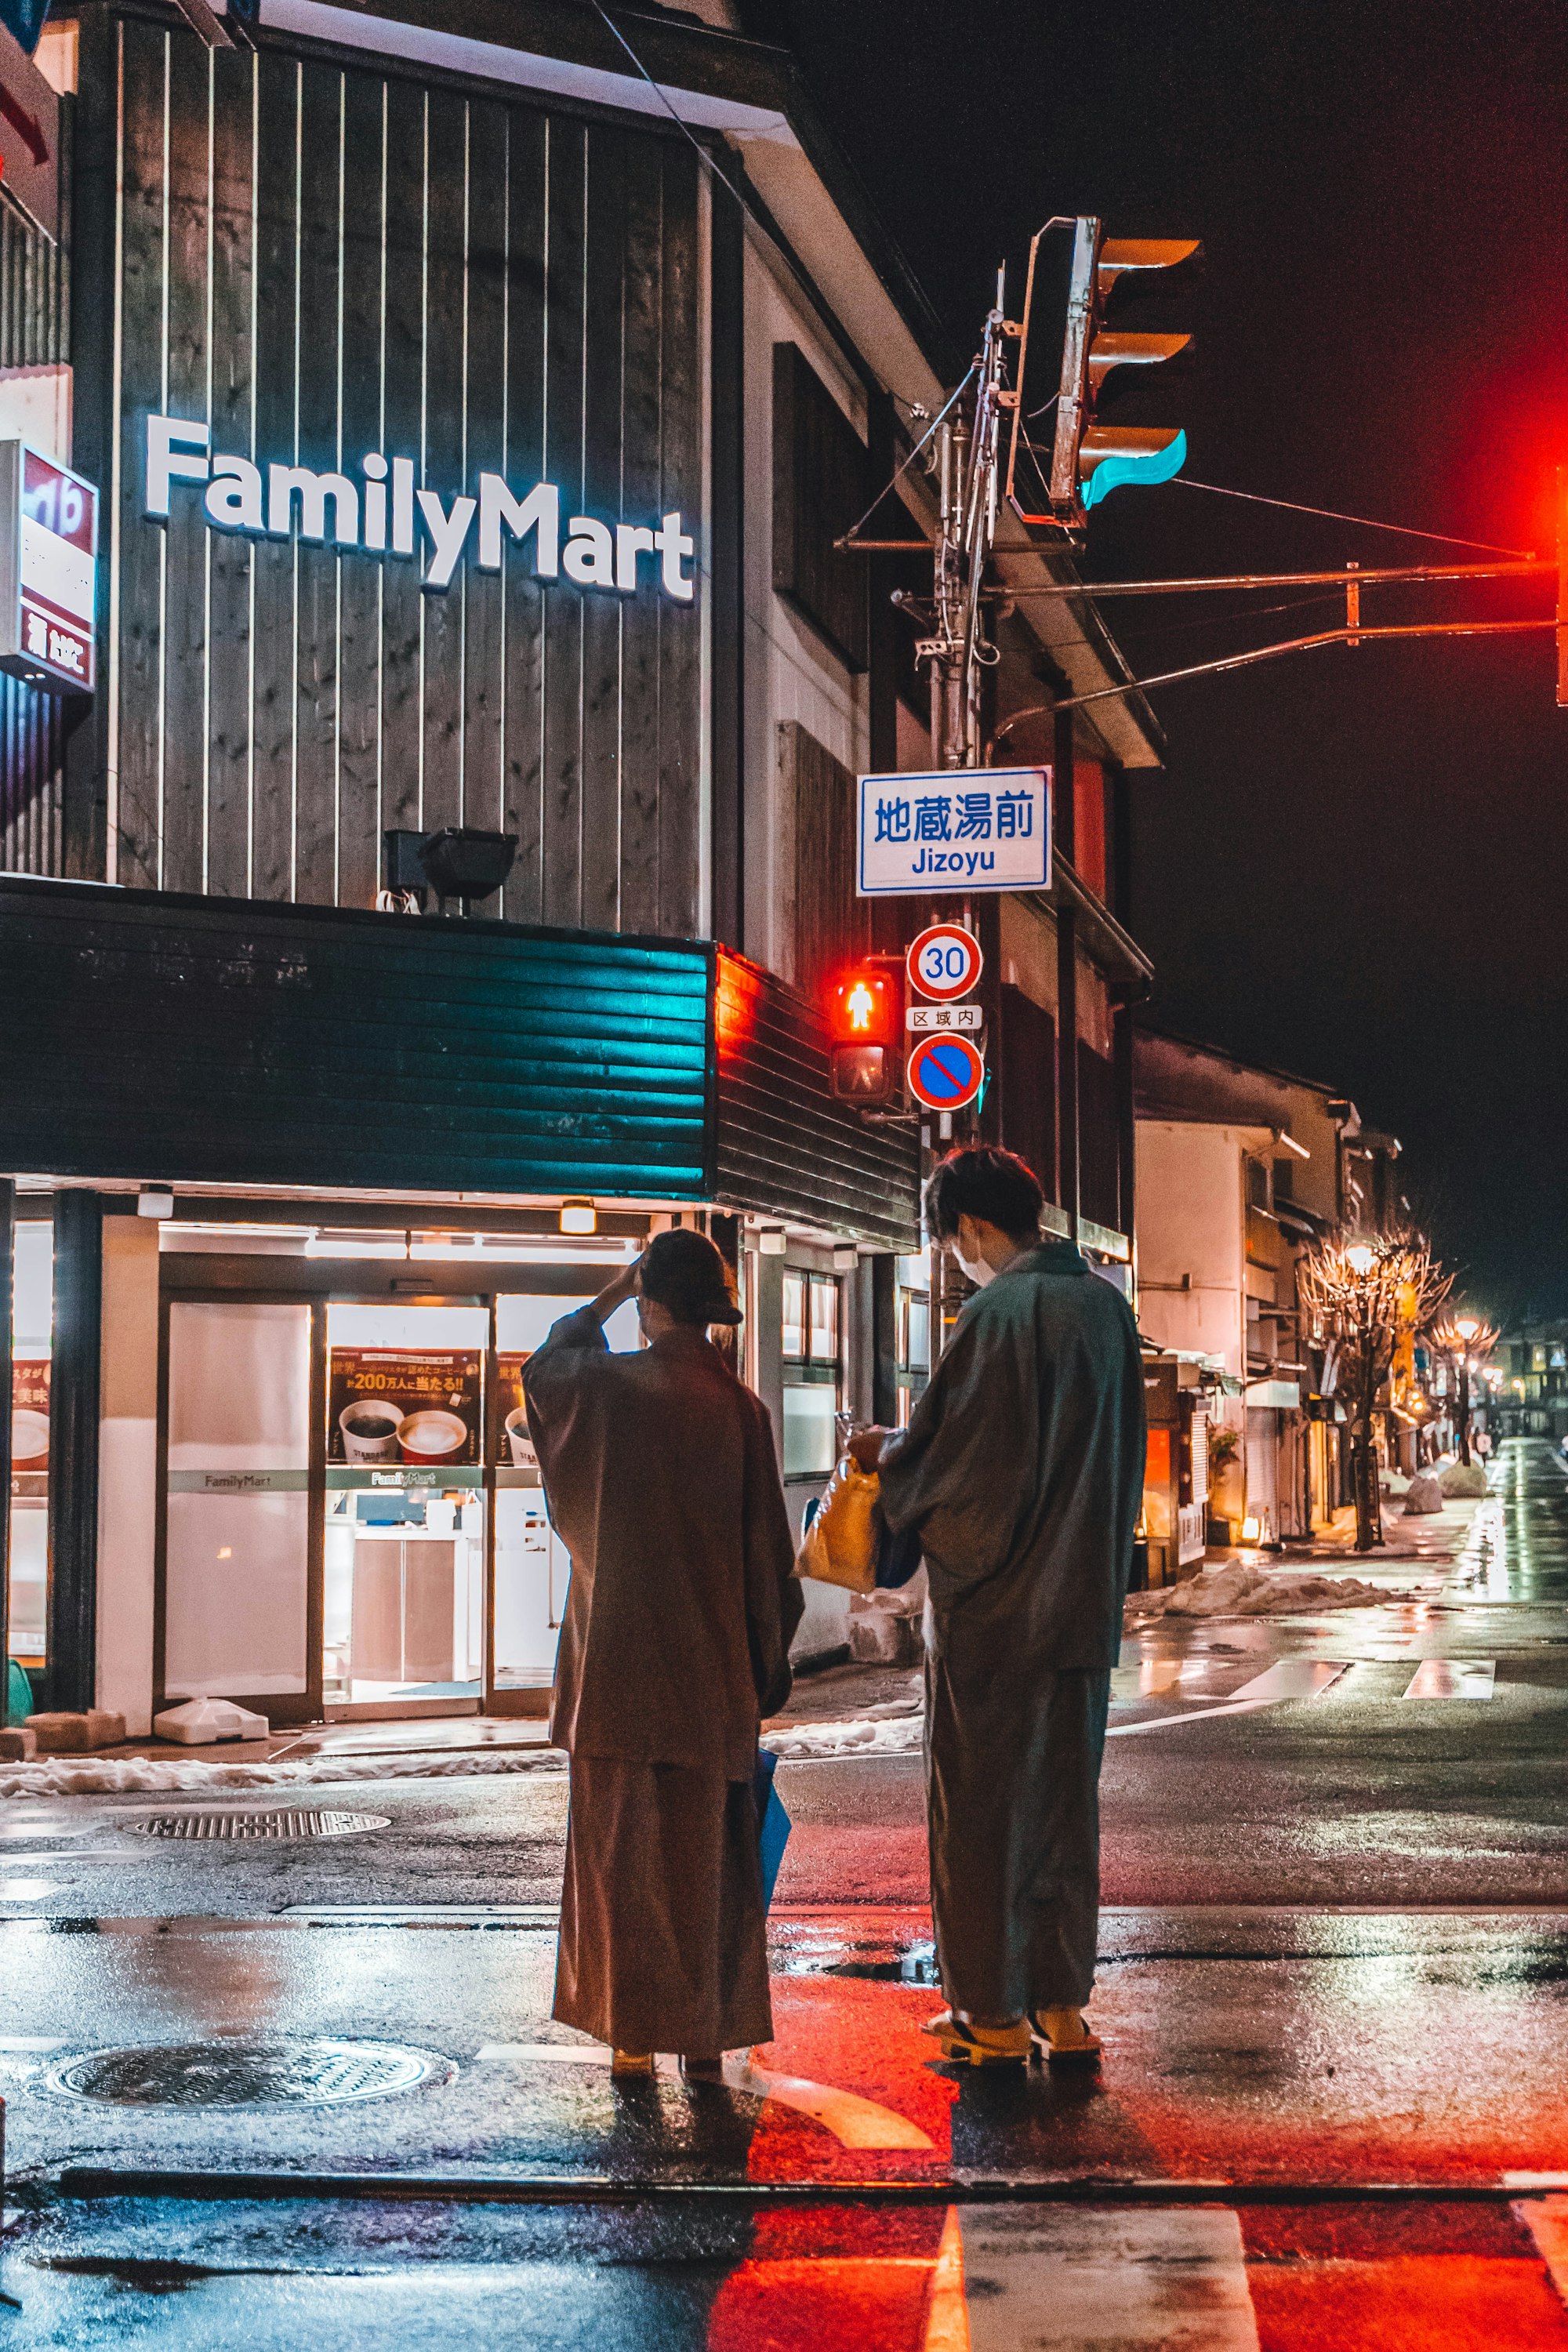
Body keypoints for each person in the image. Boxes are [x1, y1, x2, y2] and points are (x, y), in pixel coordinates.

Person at [851, 1146, 1145, 2068]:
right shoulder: (1105, 1307)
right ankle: (1060, 2005)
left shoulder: (996, 1314)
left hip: (996, 1612)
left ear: (973, 1229)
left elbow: (955, 1463)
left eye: (951, 1242)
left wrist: (884, 1453)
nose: (956, 1259)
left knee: (981, 1815)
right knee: (1063, 1810)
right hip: (1080, 1605)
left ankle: (990, 2012)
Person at [521, 1228, 801, 2080]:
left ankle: (631, 2040)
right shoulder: (740, 1411)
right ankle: (705, 2045)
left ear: (649, 1307)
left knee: (620, 1864)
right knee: (706, 1868)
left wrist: (610, 1292)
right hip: (711, 1682)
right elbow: (770, 1567)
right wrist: (766, 1666)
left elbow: (543, 1373)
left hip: (613, 1675)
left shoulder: (607, 1394)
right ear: (714, 1314)